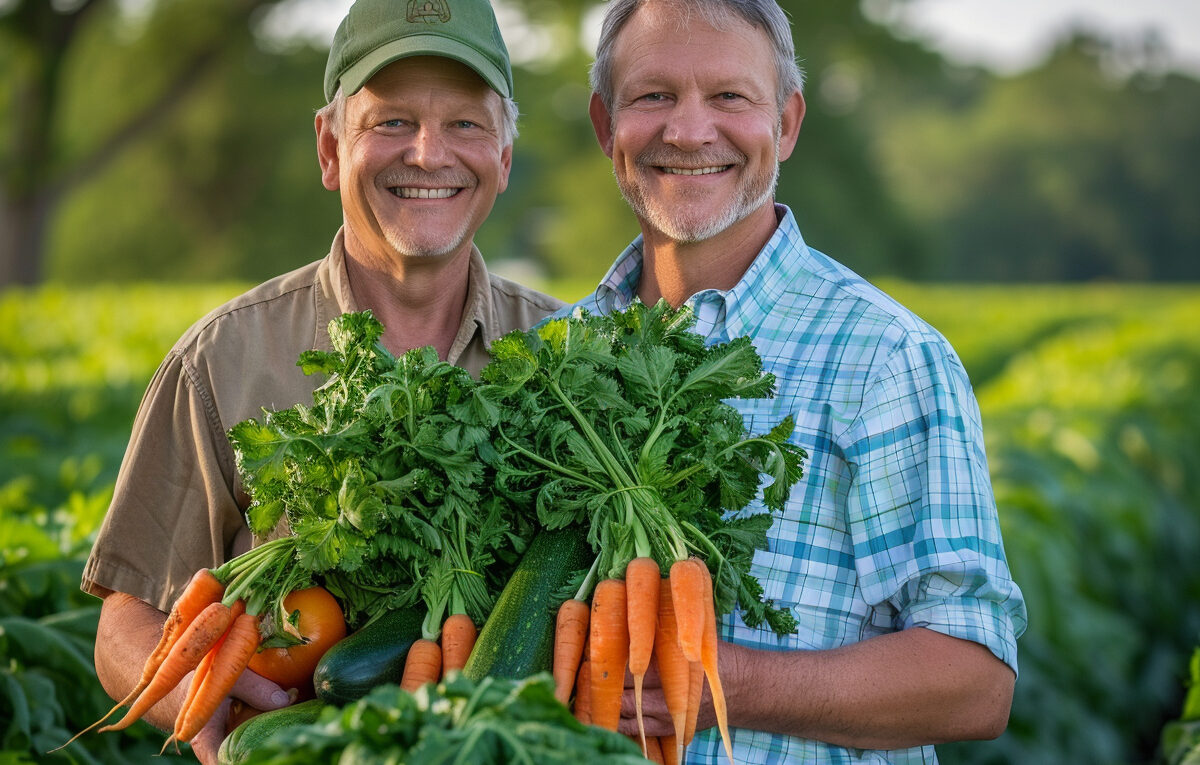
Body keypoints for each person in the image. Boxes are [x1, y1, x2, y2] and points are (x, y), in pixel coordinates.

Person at [79, 1, 562, 762]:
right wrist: (200, 706)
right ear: (330, 146)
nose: (429, 154)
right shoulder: (222, 359)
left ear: (504, 154)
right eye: (392, 122)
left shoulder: (568, 360)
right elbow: (125, 621)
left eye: (466, 124)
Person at [576, 0, 1028, 762]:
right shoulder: (558, 357)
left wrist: (719, 677)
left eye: (730, 97)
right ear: (604, 125)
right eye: (654, 96)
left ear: (785, 124)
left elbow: (974, 680)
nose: (688, 131)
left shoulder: (886, 356)